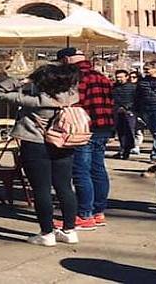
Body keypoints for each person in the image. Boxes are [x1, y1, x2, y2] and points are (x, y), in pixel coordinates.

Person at [0, 63, 80, 246]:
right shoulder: (72, 96)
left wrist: (24, 80)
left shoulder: (35, 101)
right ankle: (69, 230)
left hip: (36, 145)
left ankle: (46, 233)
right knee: (65, 187)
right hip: (64, 144)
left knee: (41, 189)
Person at [57, 47, 115, 230]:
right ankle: (99, 212)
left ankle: (85, 215)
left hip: (83, 127)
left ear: (66, 59)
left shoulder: (75, 77)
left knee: (81, 171)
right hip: (104, 125)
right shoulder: (101, 76)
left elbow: (73, 102)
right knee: (98, 169)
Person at [112, 70, 137, 159]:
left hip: (129, 112)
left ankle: (127, 150)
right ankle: (122, 149)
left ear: (127, 77)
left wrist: (127, 107)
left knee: (129, 131)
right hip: (117, 112)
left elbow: (136, 99)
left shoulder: (133, 87)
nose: (119, 79)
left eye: (121, 77)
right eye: (117, 77)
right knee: (120, 132)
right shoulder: (114, 87)